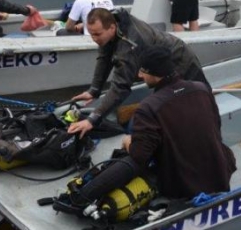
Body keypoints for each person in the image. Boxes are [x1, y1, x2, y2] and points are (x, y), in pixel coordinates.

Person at [69, 45, 236, 204]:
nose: (140, 76)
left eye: (143, 71)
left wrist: (129, 142)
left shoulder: (148, 108)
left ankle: (83, 195)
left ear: (155, 74)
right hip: (220, 174)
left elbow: (140, 156)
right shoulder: (201, 88)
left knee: (132, 151)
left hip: (183, 188)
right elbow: (216, 126)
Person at [67, 8, 209, 138]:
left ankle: (203, 132)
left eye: (98, 34)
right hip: (155, 66)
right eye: (91, 34)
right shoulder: (113, 19)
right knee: (166, 103)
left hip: (181, 61)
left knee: (201, 101)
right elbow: (104, 57)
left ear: (112, 27)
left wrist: (92, 120)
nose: (94, 39)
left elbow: (120, 87)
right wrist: (94, 90)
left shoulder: (128, 46)